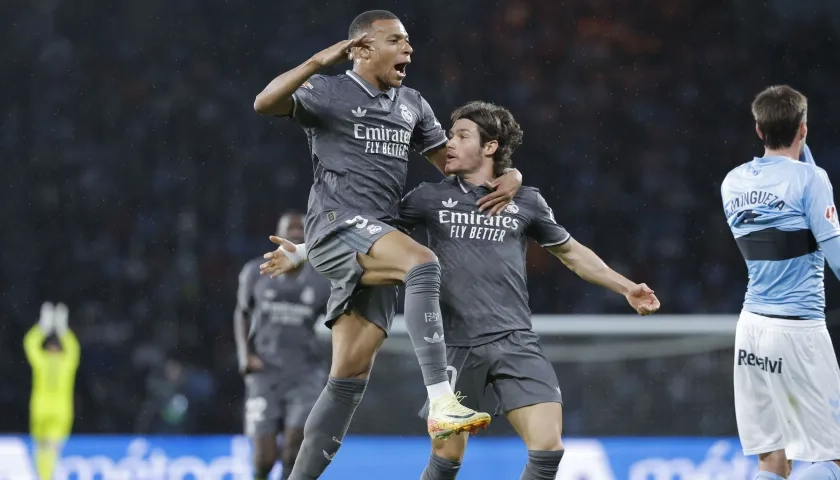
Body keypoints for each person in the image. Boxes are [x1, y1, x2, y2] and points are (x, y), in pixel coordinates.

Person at [262, 101, 661, 480]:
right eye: (450, 134)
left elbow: (572, 253)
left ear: (490, 147)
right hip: (455, 345)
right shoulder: (427, 197)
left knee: (548, 449)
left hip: (516, 340)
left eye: (462, 135)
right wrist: (302, 252)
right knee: (446, 462)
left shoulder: (526, 201)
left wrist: (627, 288)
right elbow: (368, 234)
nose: (448, 143)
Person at [253, 9, 522, 479]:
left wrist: (510, 174)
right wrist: (322, 58)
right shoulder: (330, 90)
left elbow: (453, 166)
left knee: (347, 380)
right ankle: (442, 400)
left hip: (374, 236)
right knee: (422, 263)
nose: (408, 49)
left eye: (409, 41)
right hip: (338, 224)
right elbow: (264, 102)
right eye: (396, 41)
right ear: (362, 47)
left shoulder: (412, 103)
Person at [721, 85, 840, 480]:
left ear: (758, 129)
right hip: (798, 331)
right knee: (832, 460)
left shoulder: (732, 182)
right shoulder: (812, 179)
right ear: (803, 129)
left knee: (772, 461)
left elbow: (782, 187)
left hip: (751, 330)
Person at [235, 213, 331, 480]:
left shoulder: (321, 279)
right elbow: (241, 312)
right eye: (291, 229)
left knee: (293, 451)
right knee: (265, 458)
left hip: (305, 374)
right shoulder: (255, 272)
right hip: (264, 372)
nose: (297, 233)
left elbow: (340, 320)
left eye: (302, 229)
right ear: (277, 235)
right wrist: (245, 356)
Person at [24, 301, 80, 480]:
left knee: (47, 446)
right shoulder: (60, 362)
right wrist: (59, 330)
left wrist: (44, 328)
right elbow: (73, 349)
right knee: (43, 448)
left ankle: (45, 478)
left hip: (51, 411)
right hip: (49, 410)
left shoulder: (58, 362)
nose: (54, 350)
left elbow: (30, 344)